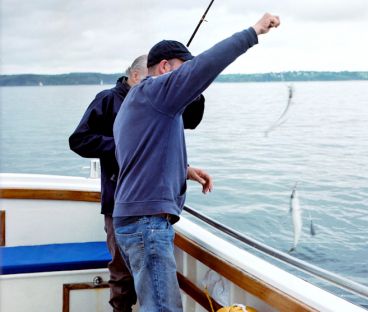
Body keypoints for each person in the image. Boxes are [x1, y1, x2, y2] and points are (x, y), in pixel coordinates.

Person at [112, 13, 280, 312]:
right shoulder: (156, 92)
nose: (187, 81)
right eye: (182, 71)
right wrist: (254, 32)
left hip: (134, 219)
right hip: (147, 222)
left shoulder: (137, 100)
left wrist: (184, 171)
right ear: (165, 67)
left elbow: (138, 157)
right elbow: (207, 64)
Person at [68, 55, 205, 312]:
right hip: (119, 201)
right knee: (122, 273)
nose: (155, 86)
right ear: (134, 76)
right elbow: (79, 140)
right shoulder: (108, 100)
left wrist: (184, 170)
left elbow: (191, 121)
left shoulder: (156, 101)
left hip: (153, 206)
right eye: (149, 80)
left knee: (149, 278)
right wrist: (123, 146)